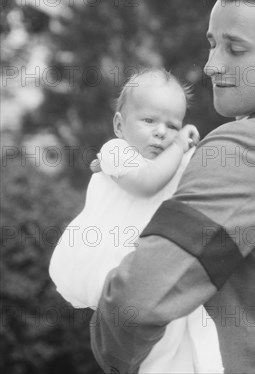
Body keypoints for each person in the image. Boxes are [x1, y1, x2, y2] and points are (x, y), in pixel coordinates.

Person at [90, 0, 255, 374]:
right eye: (212, 44)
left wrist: (112, 355)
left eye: (235, 49)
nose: (211, 66)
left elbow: (139, 299)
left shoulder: (247, 148)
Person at [49, 68, 224, 374]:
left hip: (157, 274)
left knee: (188, 346)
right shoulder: (116, 152)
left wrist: (192, 151)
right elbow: (146, 184)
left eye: (173, 125)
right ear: (119, 125)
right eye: (149, 121)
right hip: (118, 270)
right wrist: (180, 145)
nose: (161, 132)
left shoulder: (172, 160)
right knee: (153, 353)